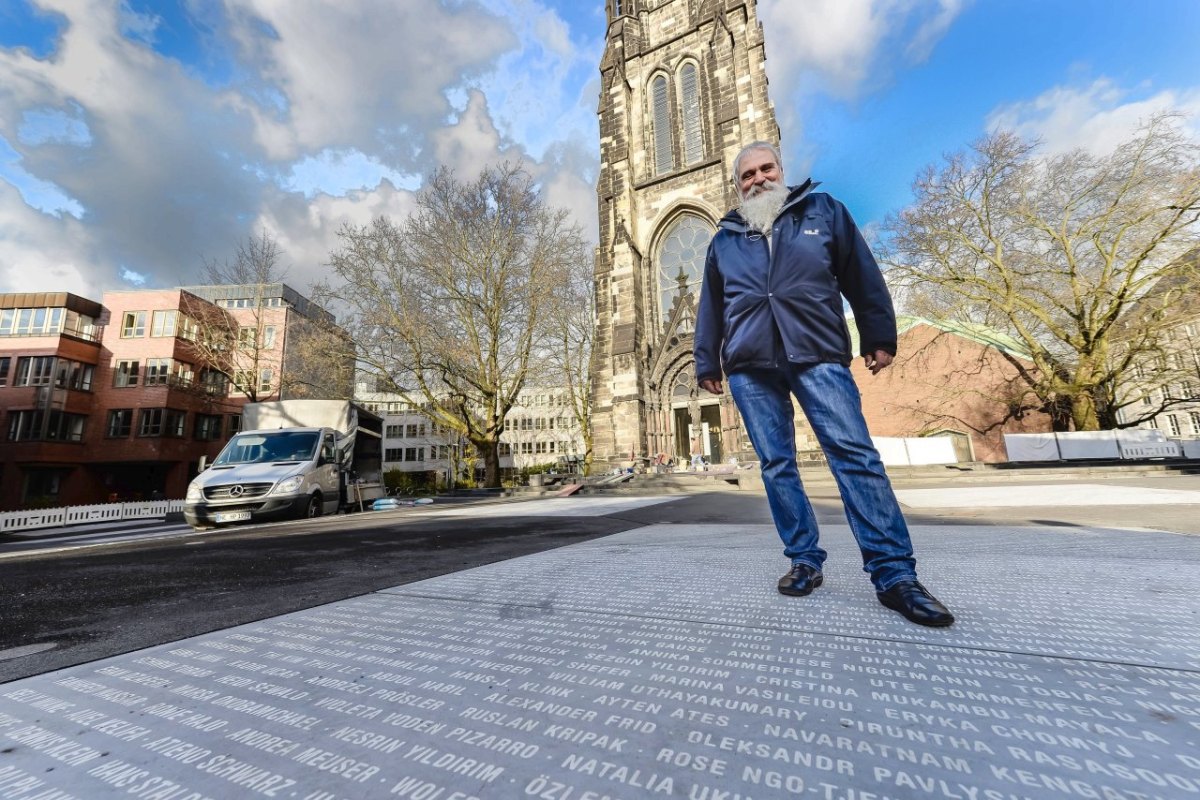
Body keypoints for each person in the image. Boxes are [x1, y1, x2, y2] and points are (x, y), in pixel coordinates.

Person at [693, 140, 954, 627]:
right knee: (776, 465)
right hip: (750, 363)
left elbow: (861, 274)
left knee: (854, 456)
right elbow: (710, 306)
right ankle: (804, 560)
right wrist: (706, 360)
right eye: (746, 175)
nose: (757, 180)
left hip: (816, 352)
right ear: (737, 184)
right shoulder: (725, 237)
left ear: (781, 170)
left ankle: (894, 574)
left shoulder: (823, 210)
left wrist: (878, 333)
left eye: (765, 169)